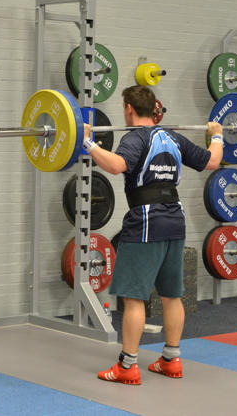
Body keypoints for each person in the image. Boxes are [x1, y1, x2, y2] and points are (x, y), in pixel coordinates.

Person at [82, 85, 223, 385]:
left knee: (134, 298)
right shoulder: (172, 136)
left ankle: (127, 366)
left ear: (129, 109)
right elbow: (212, 161)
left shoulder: (135, 137)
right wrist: (218, 134)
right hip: (175, 221)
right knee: (172, 295)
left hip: (146, 222)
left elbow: (117, 165)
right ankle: (172, 359)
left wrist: (88, 144)